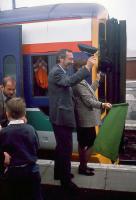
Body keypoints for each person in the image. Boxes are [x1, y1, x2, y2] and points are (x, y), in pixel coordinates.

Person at [48, 48, 95, 192]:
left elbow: (67, 87)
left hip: (61, 116)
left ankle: (60, 174)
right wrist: (87, 68)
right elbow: (69, 82)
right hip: (61, 118)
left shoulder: (61, 70)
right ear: (61, 59)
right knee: (65, 149)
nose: (72, 61)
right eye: (70, 58)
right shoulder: (57, 72)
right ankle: (65, 182)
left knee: (61, 147)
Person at [0, 97, 43, 200]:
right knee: (35, 195)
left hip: (13, 172)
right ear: (24, 114)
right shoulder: (30, 129)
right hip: (32, 171)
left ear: (7, 114)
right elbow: (37, 146)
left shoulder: (4, 132)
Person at [72, 65, 112, 176]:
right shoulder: (78, 83)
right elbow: (88, 100)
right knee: (90, 143)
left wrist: (97, 81)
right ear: (79, 71)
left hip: (85, 119)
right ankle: (83, 167)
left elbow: (89, 92)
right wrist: (103, 104)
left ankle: (83, 166)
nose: (87, 70)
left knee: (83, 143)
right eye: (85, 69)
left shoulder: (81, 81)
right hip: (85, 120)